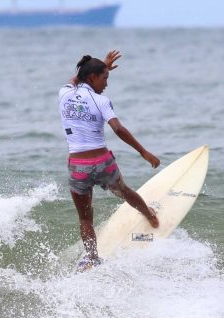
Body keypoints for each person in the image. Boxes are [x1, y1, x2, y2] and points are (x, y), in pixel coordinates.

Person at [58, 50, 160, 270]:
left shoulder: (64, 94)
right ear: (92, 78)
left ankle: (93, 259)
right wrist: (144, 152)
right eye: (104, 78)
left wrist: (100, 65)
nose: (106, 83)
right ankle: (149, 215)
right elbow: (118, 129)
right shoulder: (101, 101)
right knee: (123, 190)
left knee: (85, 219)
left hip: (78, 167)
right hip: (102, 162)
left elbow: (75, 79)